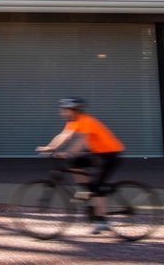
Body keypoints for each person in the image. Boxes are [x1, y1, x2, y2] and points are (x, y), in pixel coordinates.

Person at [37, 97, 125, 234]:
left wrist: (68, 153)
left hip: (110, 155)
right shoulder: (73, 122)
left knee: (97, 187)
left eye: (65, 110)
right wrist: (49, 148)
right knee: (74, 163)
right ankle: (85, 190)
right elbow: (63, 136)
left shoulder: (87, 121)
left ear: (74, 111)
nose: (62, 113)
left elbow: (81, 142)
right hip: (97, 154)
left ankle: (102, 221)